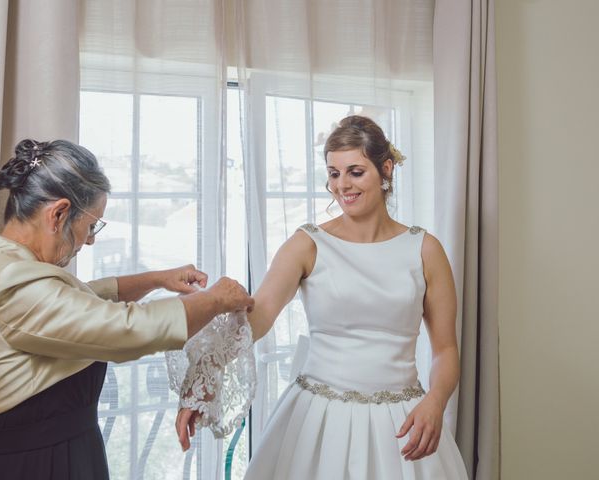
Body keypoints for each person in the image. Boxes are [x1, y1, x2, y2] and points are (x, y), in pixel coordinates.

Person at [176, 115, 468, 478]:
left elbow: (445, 350)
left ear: (386, 169)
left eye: (355, 172)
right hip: (317, 420)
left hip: (402, 422)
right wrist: (205, 377)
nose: (342, 185)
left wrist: (435, 403)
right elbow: (259, 317)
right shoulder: (307, 244)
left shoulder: (425, 249)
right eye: (333, 173)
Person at [0, 139, 254, 480]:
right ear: (58, 213)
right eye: (91, 225)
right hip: (41, 464)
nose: (89, 240)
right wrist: (216, 298)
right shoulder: (15, 284)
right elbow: (130, 331)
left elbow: (75, 300)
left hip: (8, 457)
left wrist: (157, 279)